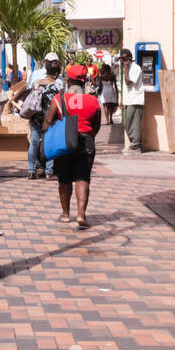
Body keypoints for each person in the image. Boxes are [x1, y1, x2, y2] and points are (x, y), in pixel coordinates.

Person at [44, 64, 103, 227]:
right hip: (86, 142)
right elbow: (96, 125)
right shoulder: (93, 101)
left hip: (64, 142)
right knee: (83, 178)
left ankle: (65, 214)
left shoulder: (59, 98)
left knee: (64, 179)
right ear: (85, 81)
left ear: (68, 80)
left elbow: (48, 121)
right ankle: (81, 215)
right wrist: (89, 136)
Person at [27, 53, 62, 179]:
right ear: (56, 74)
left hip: (35, 117)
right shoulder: (57, 86)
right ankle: (49, 171)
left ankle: (31, 170)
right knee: (49, 144)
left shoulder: (36, 83)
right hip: (49, 119)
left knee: (34, 143)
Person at [119, 48, 144, 152]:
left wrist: (125, 68)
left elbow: (128, 82)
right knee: (127, 123)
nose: (122, 61)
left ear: (129, 58)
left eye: (124, 59)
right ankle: (135, 144)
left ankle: (136, 146)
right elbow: (125, 87)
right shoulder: (127, 69)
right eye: (120, 59)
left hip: (135, 100)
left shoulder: (135, 68)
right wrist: (122, 100)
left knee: (134, 124)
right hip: (128, 100)